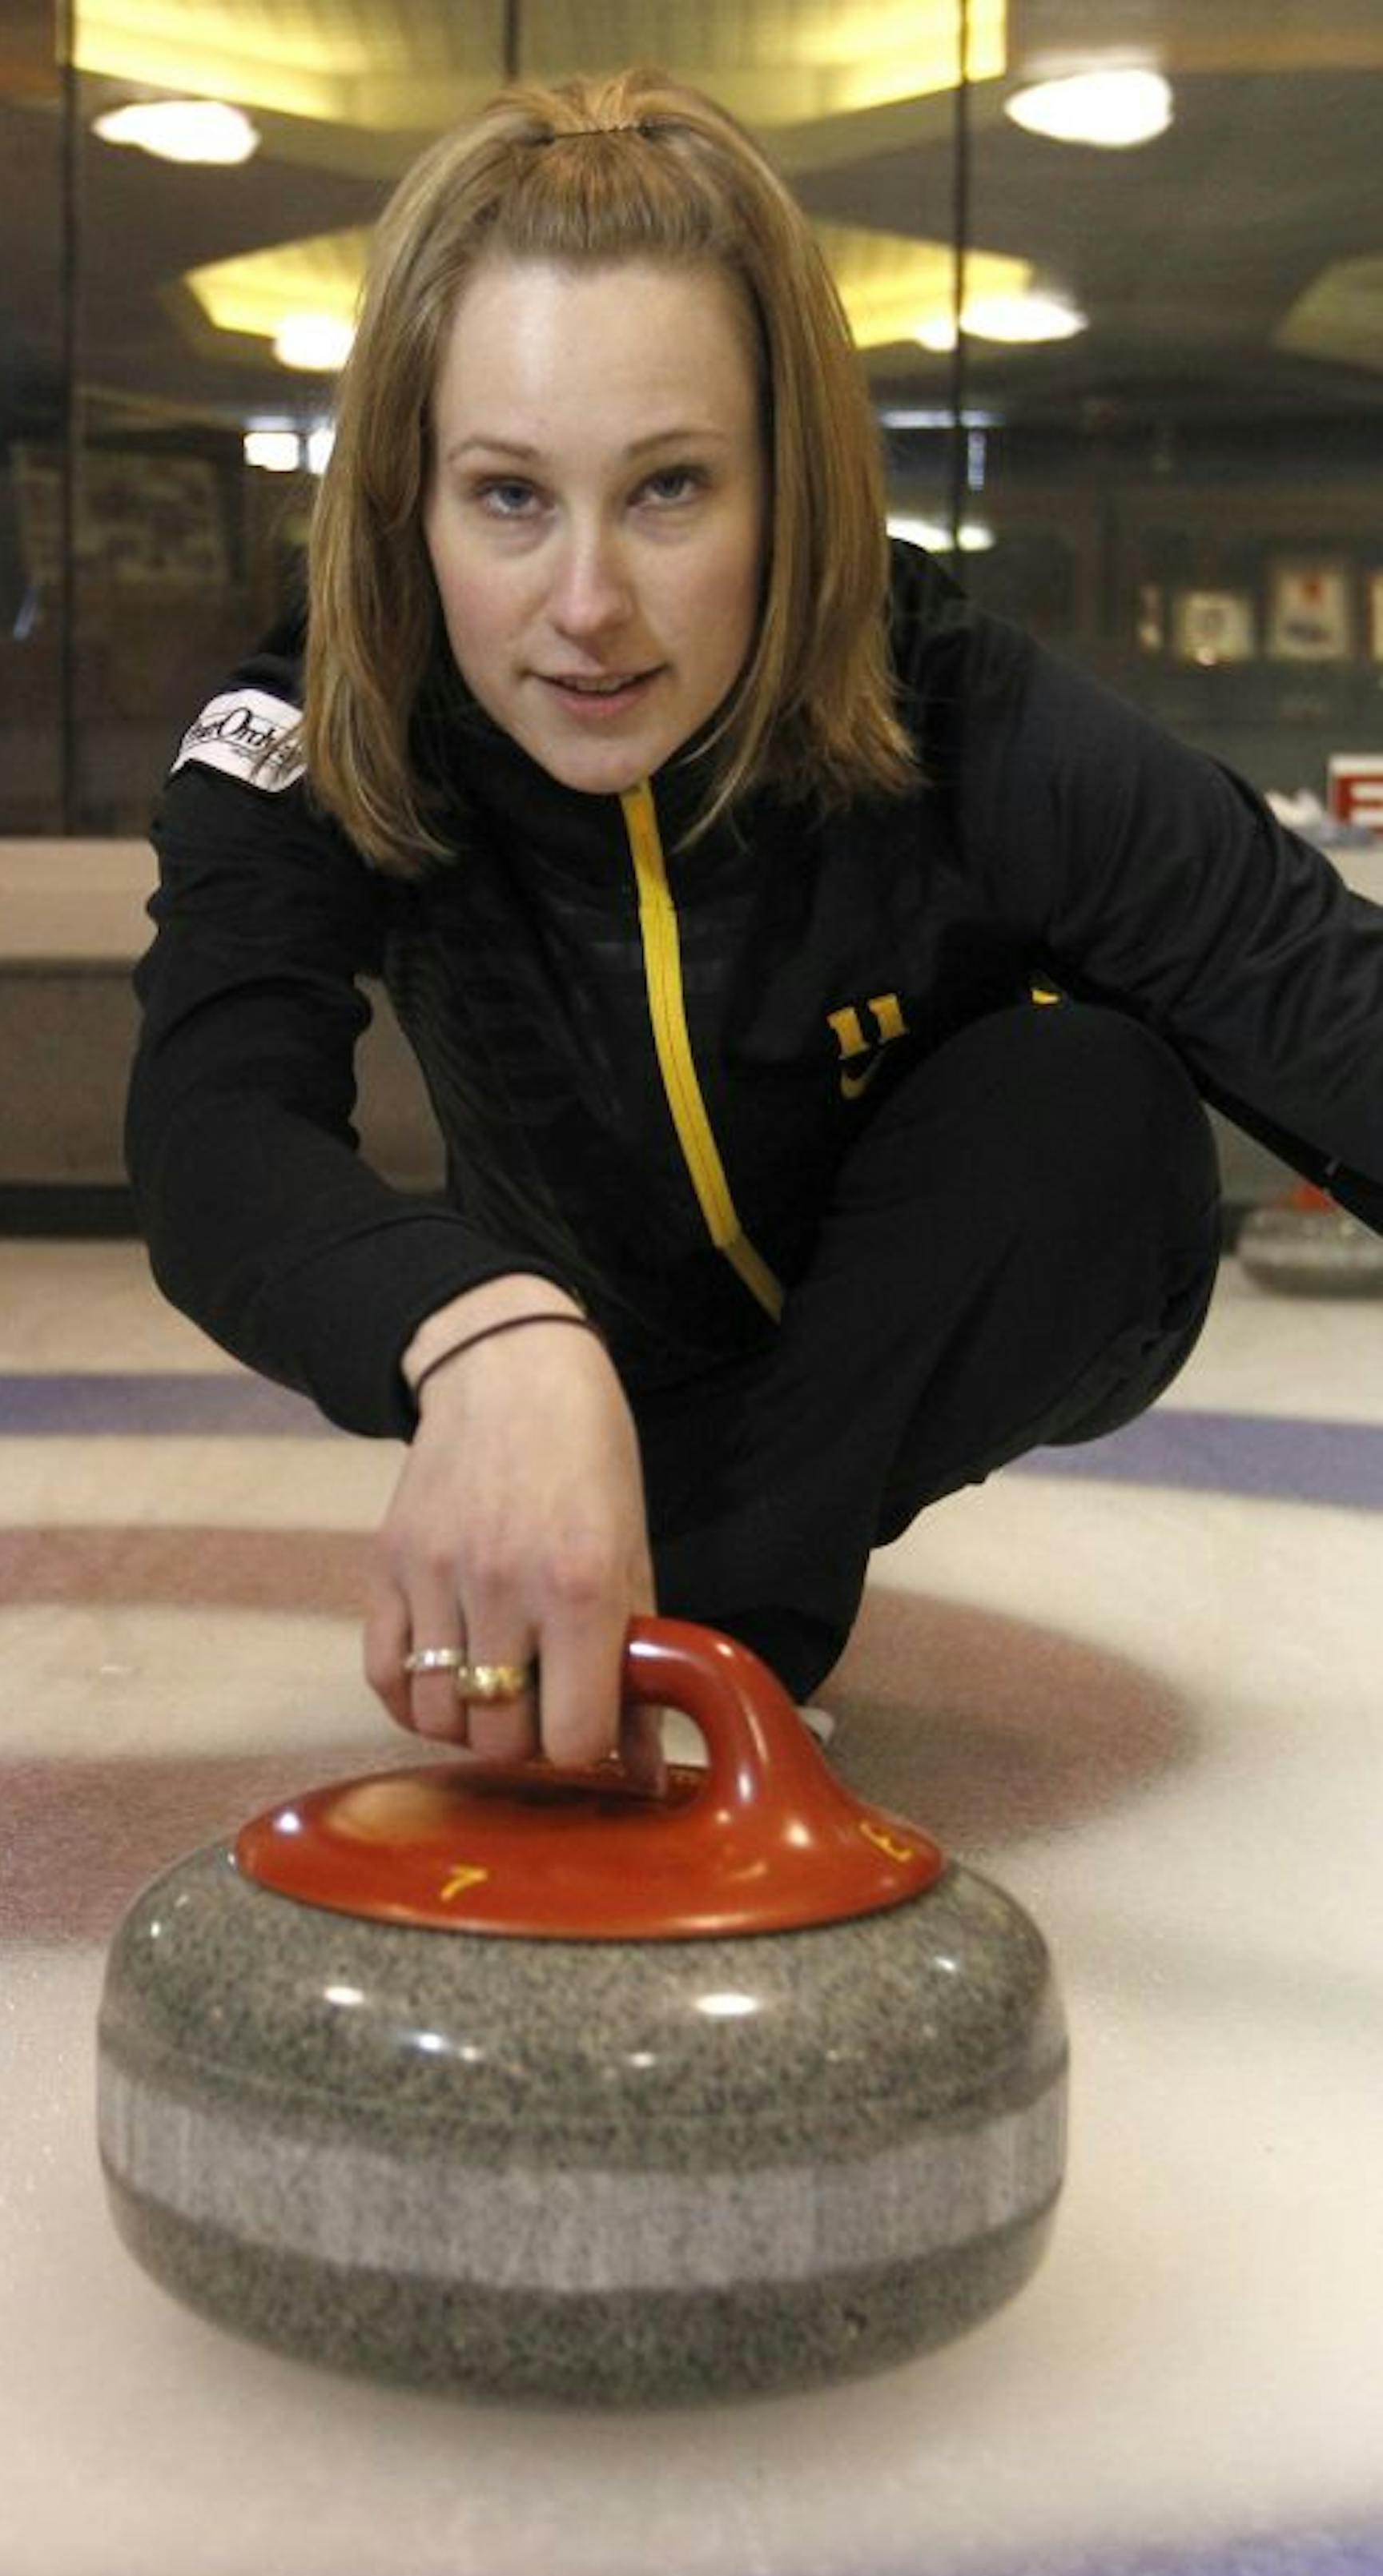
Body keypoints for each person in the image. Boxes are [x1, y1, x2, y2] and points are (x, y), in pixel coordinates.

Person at [127, 64, 1383, 1789]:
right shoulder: (310, 723)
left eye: (668, 489)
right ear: (407, 504)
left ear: (784, 489)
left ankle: (718, 1629)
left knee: (1090, 1092)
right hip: (592, 1370)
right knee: (508, 1326)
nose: (585, 606)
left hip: (980, 1300)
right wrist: (480, 1331)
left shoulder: (947, 697)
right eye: (507, 495)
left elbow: (1312, 993)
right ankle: (655, 1534)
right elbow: (215, 1129)